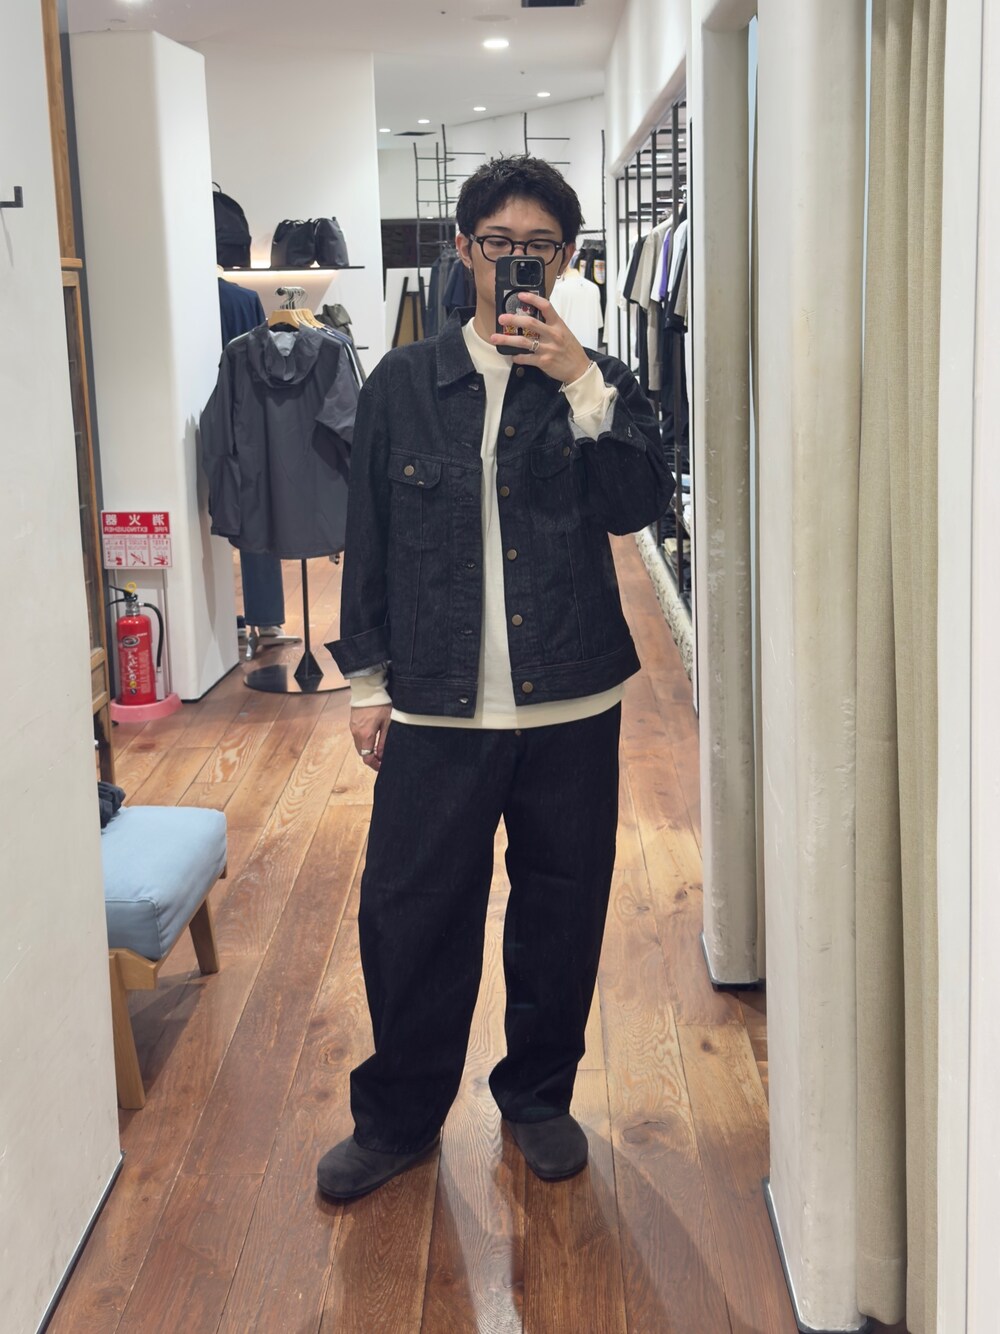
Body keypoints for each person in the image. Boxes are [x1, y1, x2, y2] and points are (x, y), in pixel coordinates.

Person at [320, 155, 673, 1201]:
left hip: (571, 694)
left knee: (562, 905)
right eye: (499, 244)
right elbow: (368, 534)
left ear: (566, 259)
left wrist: (579, 382)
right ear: (464, 249)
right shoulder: (400, 384)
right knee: (410, 911)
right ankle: (398, 1117)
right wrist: (366, 682)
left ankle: (537, 1097)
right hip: (437, 698)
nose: (516, 263)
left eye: (539, 248)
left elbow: (635, 504)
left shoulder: (598, 379)